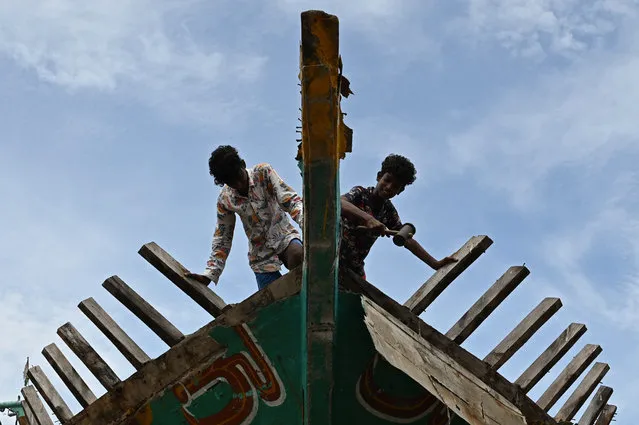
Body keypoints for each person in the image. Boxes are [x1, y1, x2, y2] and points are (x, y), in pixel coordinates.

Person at [186, 145, 304, 290]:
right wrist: (210, 273)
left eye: (239, 177)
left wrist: (308, 223)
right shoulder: (225, 199)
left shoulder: (263, 173)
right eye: (231, 182)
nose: (238, 184)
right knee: (274, 301)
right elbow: (222, 238)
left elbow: (290, 200)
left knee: (298, 256)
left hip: (284, 237)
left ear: (243, 165)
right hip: (261, 257)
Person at [340, 154, 457, 280]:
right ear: (379, 177)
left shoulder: (389, 212)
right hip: (333, 253)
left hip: (352, 267)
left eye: (395, 186)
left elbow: (406, 238)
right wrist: (368, 219)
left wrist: (435, 264)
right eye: (387, 180)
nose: (389, 187)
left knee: (367, 297)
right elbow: (339, 202)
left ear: (399, 191)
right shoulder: (360, 193)